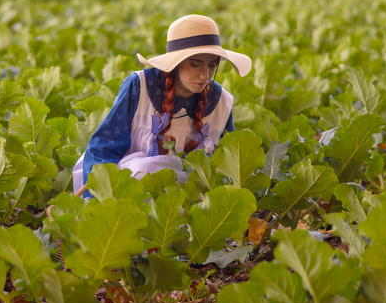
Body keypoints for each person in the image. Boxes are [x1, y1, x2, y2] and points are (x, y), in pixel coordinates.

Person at [72, 14, 252, 194]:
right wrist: (94, 198)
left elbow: (226, 162)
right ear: (175, 63)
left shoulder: (221, 102)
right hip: (130, 190)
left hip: (189, 197)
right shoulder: (140, 86)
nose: (205, 75)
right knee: (144, 171)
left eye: (212, 66)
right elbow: (104, 148)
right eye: (195, 65)